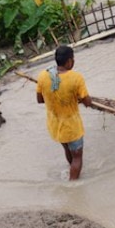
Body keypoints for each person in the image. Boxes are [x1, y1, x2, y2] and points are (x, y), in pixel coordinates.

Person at [36, 44, 94, 180]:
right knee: (77, 156)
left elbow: (40, 99)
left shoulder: (43, 75)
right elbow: (87, 102)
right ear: (69, 61)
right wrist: (83, 99)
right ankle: (73, 186)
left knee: (68, 149)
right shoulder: (76, 78)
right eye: (73, 59)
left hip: (55, 125)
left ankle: (72, 171)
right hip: (71, 127)